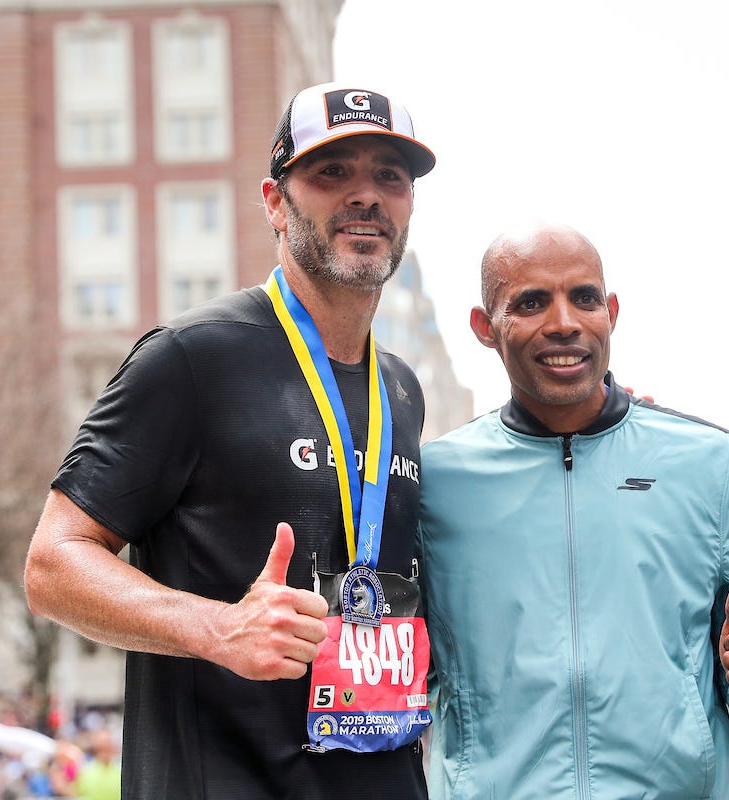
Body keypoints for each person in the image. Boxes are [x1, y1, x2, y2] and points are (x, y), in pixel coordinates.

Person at [24, 81, 436, 799]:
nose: (366, 195)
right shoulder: (192, 357)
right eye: (332, 172)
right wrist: (215, 627)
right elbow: (53, 566)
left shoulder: (400, 388)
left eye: (389, 176)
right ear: (276, 203)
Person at [417, 223, 729, 798]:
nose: (564, 323)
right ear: (485, 328)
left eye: (584, 297)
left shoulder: (707, 462)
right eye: (530, 303)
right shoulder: (436, 480)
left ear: (612, 311)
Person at [70, 728, 123, 800]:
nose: (105, 745)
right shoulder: (85, 771)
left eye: (107, 742)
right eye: (103, 744)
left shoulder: (120, 771)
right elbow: (76, 794)